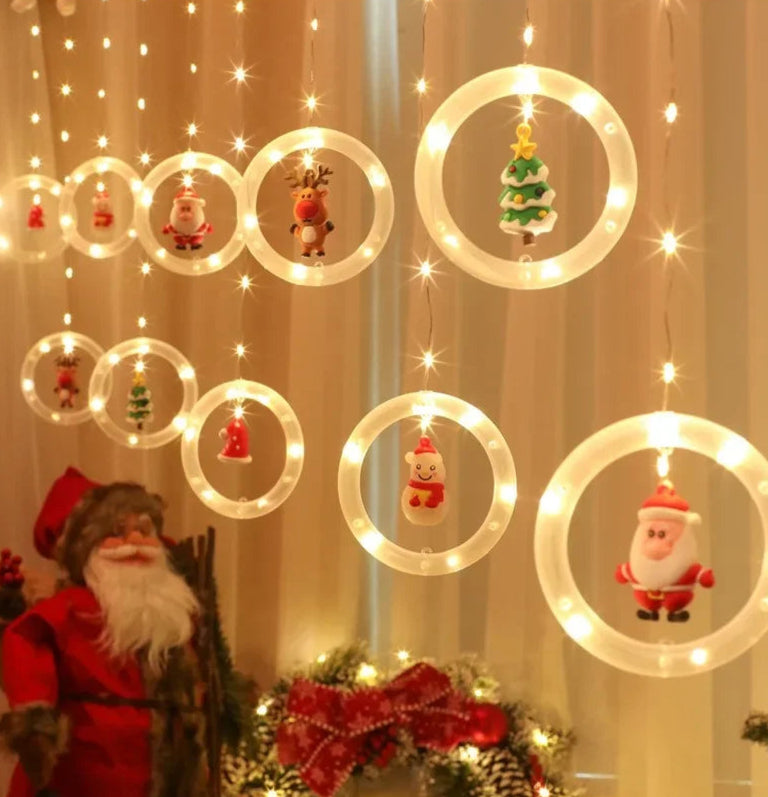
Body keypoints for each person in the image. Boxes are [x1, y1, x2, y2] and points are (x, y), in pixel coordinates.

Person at [0, 468, 248, 797]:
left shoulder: (173, 614)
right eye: (116, 533)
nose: (134, 542)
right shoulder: (72, 608)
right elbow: (26, 641)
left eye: (144, 530)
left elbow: (197, 679)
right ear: (88, 549)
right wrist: (35, 723)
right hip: (84, 774)